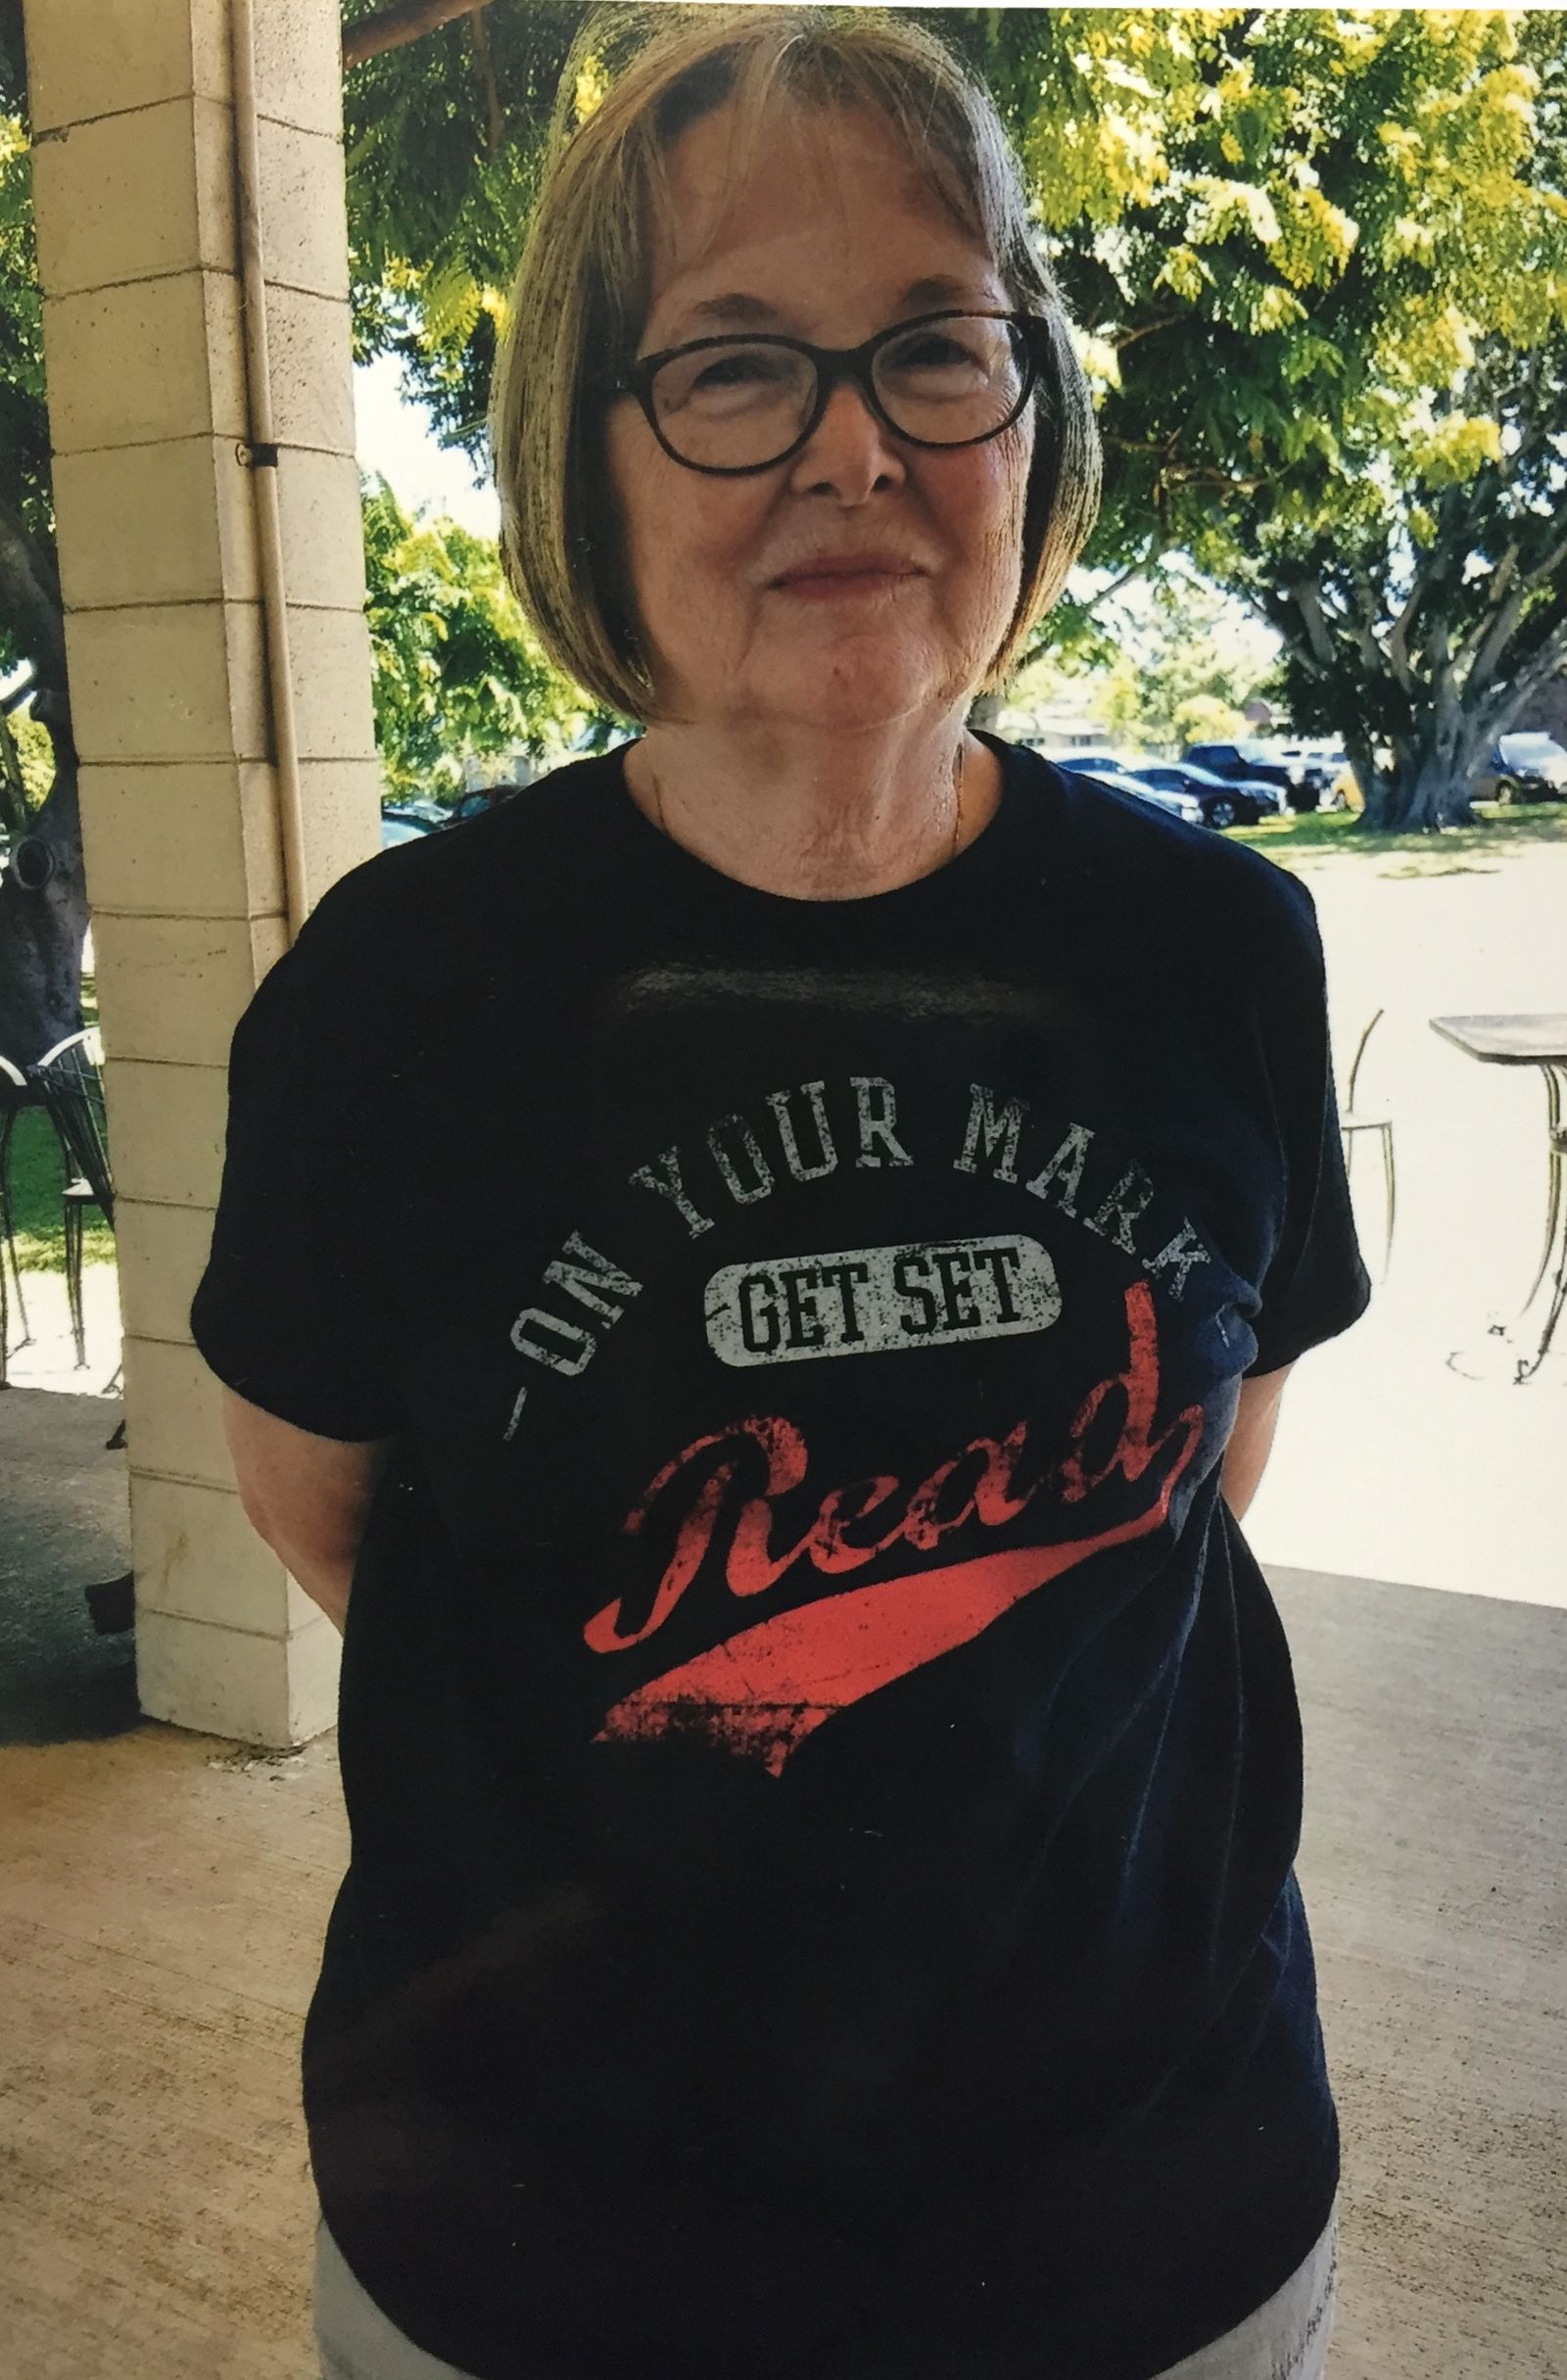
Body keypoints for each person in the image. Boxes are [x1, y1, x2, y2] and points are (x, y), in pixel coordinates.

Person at [191, 9, 1369, 2376]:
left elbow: (1196, 1473)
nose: (854, 445)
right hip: (546, 2249)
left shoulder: (1211, 946)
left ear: (1029, 417)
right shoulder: (394, 993)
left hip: (1151, 2218)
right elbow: (338, 1519)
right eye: (733, 364)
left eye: (934, 346)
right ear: (584, 453)